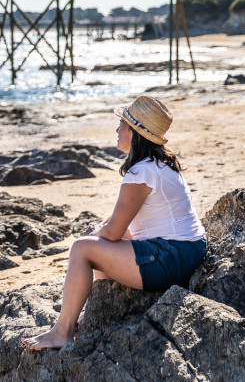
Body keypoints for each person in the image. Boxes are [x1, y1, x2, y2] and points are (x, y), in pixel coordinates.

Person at [22, 95, 206, 350]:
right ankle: (94, 311)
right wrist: (99, 232)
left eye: (122, 124)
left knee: (82, 248)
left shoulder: (141, 172)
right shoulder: (160, 165)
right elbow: (131, 226)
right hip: (186, 250)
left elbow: (113, 231)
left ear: (136, 133)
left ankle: (62, 331)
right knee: (96, 246)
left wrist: (95, 235)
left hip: (173, 256)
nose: (117, 130)